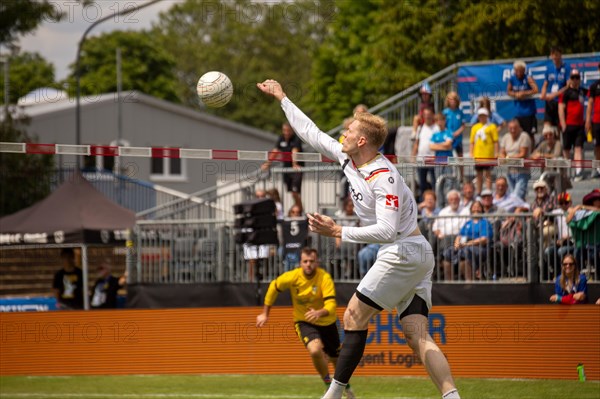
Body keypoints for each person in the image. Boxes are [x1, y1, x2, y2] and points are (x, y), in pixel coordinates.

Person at [257, 79, 460, 399]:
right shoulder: (347, 157)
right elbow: (311, 132)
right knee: (416, 334)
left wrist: (338, 230)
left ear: (362, 139)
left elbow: (387, 231)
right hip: (413, 253)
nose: (343, 133)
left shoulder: (384, 176)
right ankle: (453, 397)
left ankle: (333, 395)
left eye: (349, 130)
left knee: (353, 315)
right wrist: (282, 97)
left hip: (403, 249)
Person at [256, 248, 355, 399]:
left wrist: (318, 312)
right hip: (304, 321)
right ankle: (328, 385)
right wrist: (265, 313)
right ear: (300, 263)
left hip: (327, 322)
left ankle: (347, 388)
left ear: (317, 262)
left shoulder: (324, 278)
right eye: (305, 261)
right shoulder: (292, 277)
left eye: (312, 261)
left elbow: (331, 306)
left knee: (336, 359)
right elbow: (273, 287)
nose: (308, 264)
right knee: (315, 350)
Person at [262, 122, 304, 210]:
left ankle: (300, 211)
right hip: (286, 169)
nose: (286, 132)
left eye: (288, 130)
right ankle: (298, 210)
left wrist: (295, 164)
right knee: (291, 192)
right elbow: (275, 151)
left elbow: (294, 151)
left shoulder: (296, 139)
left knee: (294, 192)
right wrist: (267, 163)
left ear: (292, 130)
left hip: (296, 169)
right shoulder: (281, 138)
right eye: (284, 130)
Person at [452, 201, 493, 281]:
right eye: (474, 206)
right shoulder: (468, 223)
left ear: (482, 209)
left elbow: (484, 239)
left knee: (466, 251)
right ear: (471, 209)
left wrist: (467, 244)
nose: (476, 208)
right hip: (465, 246)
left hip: (480, 248)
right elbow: (459, 235)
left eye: (478, 206)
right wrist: (456, 243)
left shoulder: (485, 223)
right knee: (449, 252)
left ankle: (471, 277)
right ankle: (449, 281)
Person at [559, 69, 587, 182]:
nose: (575, 80)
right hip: (568, 125)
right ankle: (566, 172)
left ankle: (578, 172)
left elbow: (592, 96)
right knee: (566, 150)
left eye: (577, 77)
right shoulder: (566, 93)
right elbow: (560, 108)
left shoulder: (582, 91)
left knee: (578, 149)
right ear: (570, 79)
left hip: (579, 126)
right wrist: (563, 124)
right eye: (573, 77)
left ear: (580, 79)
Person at [499, 119, 532, 200]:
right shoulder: (506, 137)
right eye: (510, 128)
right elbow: (502, 152)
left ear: (519, 128)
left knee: (516, 197)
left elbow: (522, 154)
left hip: (522, 172)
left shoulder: (524, 136)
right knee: (512, 197)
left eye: (515, 128)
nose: (512, 130)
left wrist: (508, 158)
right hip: (510, 171)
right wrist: (504, 157)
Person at [507, 60, 539, 141]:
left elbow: (535, 89)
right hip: (518, 112)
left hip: (529, 112)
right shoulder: (512, 79)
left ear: (524, 70)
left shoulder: (528, 78)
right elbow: (508, 91)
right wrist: (515, 94)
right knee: (518, 134)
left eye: (520, 70)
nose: (519, 73)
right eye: (517, 70)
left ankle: (531, 152)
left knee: (530, 135)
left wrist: (524, 93)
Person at [469, 108, 499, 195]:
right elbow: (471, 142)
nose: (482, 117)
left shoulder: (492, 126)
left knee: (488, 174)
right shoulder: (475, 127)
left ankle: (488, 191)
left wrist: (497, 153)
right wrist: (471, 153)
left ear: (487, 116)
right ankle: (479, 192)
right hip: (478, 155)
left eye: (484, 116)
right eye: (480, 116)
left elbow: (496, 141)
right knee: (478, 175)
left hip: (488, 155)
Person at [540, 47, 571, 129]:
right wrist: (543, 93)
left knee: (559, 126)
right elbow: (545, 83)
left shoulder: (566, 68)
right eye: (553, 55)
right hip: (550, 101)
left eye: (556, 55)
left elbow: (568, 86)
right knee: (547, 125)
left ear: (561, 55)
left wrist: (554, 95)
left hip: (561, 101)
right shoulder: (549, 68)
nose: (554, 57)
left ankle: (559, 141)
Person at [412, 108, 439, 200]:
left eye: (429, 114)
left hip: (433, 160)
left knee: (434, 183)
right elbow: (417, 143)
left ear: (432, 115)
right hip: (421, 159)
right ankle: (423, 202)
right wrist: (413, 156)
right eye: (425, 114)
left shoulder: (437, 128)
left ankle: (435, 202)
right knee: (422, 183)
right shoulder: (420, 128)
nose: (427, 116)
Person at [585, 62, 600, 179]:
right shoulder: (594, 86)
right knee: (597, 146)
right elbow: (590, 104)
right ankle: (597, 168)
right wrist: (588, 120)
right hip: (597, 121)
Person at [442, 92, 466, 164]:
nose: (452, 101)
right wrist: (448, 133)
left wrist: (458, 132)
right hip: (448, 139)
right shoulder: (445, 112)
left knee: (460, 157)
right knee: (447, 157)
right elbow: (443, 125)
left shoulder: (460, 112)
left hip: (458, 139)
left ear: (457, 101)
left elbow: (463, 125)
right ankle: (448, 173)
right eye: (451, 99)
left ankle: (461, 175)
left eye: (454, 100)